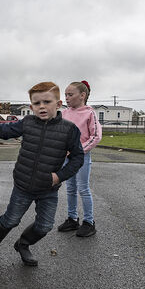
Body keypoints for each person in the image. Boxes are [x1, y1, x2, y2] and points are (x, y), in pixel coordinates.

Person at [0, 81, 84, 266]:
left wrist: (58, 176)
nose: (42, 106)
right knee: (11, 219)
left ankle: (23, 244)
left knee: (45, 226)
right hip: (23, 186)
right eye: (37, 103)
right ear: (31, 107)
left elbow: (78, 158)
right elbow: (4, 130)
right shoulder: (27, 123)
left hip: (48, 188)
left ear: (59, 104)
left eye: (47, 101)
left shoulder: (69, 130)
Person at [58, 81, 102, 237]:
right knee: (70, 188)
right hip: (66, 157)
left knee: (83, 188)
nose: (67, 98)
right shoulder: (63, 113)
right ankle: (72, 218)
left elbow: (95, 136)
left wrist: (78, 151)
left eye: (70, 95)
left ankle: (89, 222)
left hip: (81, 157)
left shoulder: (90, 113)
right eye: (65, 95)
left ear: (82, 95)